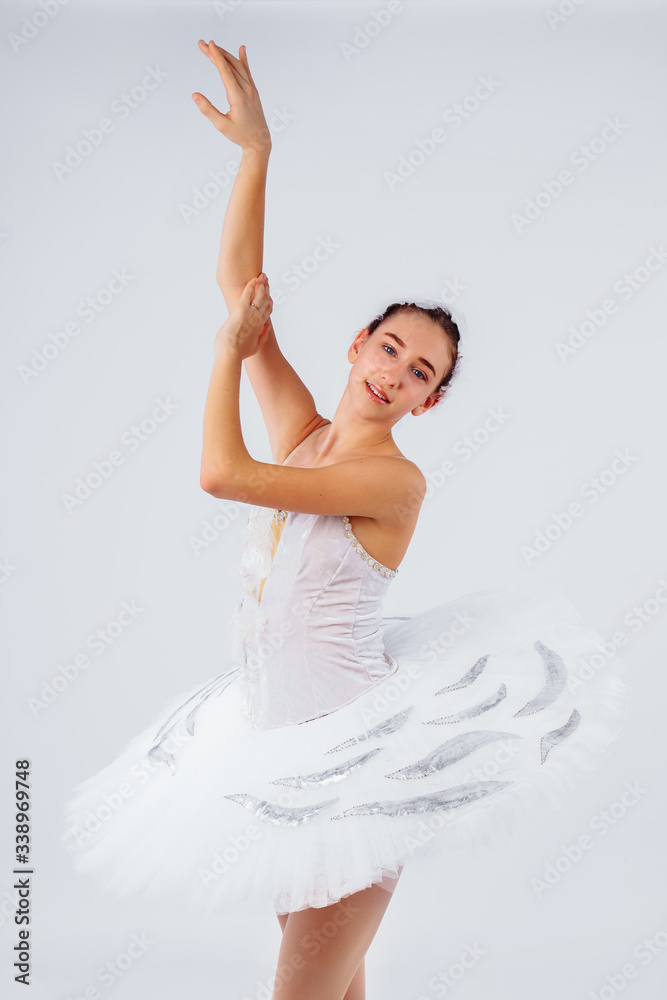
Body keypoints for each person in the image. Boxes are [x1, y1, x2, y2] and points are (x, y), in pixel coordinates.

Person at [62, 40, 631, 1000]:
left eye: (421, 373)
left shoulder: (390, 483)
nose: (397, 371)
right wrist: (256, 155)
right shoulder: (308, 435)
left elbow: (219, 474)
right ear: (359, 340)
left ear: (427, 404)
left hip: (354, 779)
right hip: (285, 766)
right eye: (393, 346)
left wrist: (221, 356)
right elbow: (240, 289)